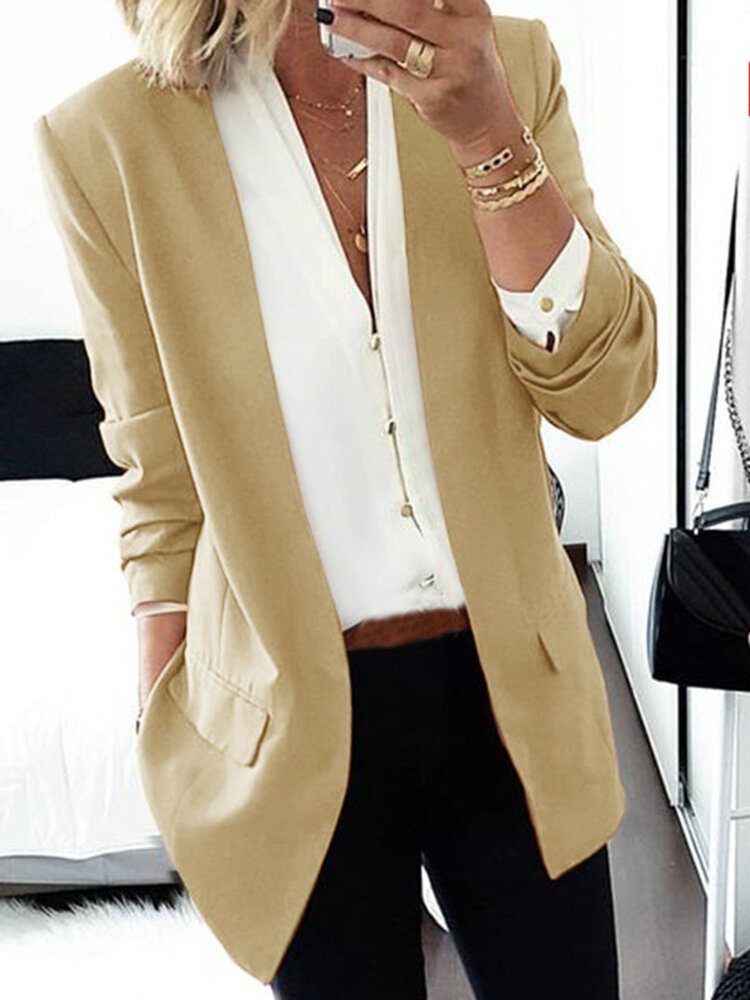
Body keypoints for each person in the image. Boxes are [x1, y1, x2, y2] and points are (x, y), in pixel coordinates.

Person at [34, 1, 658, 996]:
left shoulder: (506, 63)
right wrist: (170, 728)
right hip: (289, 717)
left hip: (515, 689)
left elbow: (605, 388)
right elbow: (158, 473)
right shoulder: (108, 140)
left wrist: (489, 137)